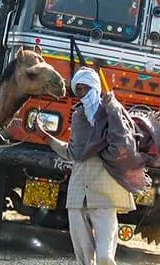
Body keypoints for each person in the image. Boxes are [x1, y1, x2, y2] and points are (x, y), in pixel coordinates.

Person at [36, 67, 134, 265]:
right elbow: (74, 153)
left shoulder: (113, 113)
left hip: (106, 195)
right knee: (83, 258)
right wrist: (47, 138)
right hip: (78, 194)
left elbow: (123, 146)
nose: (82, 94)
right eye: (78, 90)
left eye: (85, 88)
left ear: (95, 87)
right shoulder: (79, 116)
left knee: (105, 257)